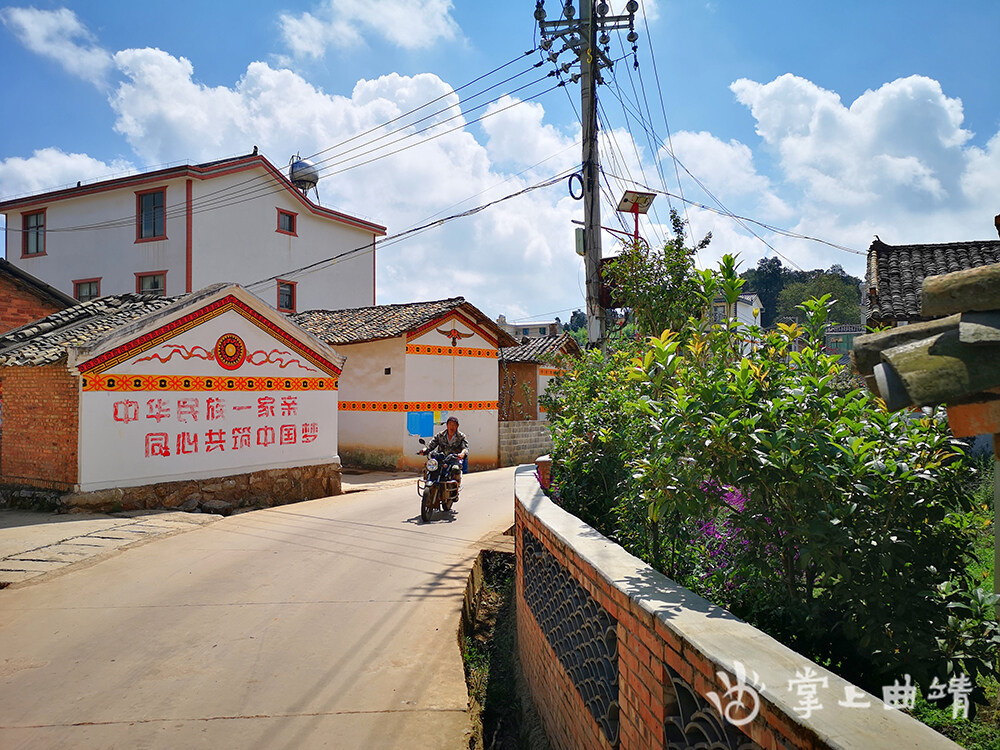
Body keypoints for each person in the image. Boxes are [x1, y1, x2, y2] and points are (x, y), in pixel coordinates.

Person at [426, 416, 469, 487]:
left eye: (454, 425)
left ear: (457, 426)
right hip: (440, 459)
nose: (451, 427)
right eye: (450, 424)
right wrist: (425, 450)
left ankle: (455, 488)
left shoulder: (461, 436)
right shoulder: (440, 435)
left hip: (453, 459)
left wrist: (462, 453)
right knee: (429, 467)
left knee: (455, 469)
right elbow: (431, 444)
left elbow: (465, 448)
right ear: (447, 425)